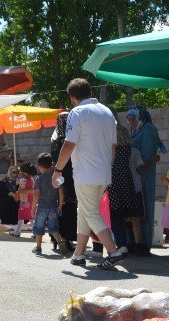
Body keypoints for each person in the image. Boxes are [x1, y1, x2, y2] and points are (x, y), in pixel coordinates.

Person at [52, 78, 125, 270]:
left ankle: (114, 252)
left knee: (90, 212)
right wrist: (106, 168)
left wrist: (57, 170)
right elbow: (113, 147)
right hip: (103, 173)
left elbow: (68, 144)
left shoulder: (77, 112)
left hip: (86, 173)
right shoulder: (107, 112)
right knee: (84, 211)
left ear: (72, 97)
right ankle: (78, 255)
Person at [129, 106, 162, 252]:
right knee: (135, 212)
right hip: (136, 175)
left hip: (143, 176)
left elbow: (148, 156)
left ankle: (144, 243)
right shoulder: (138, 131)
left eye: (133, 119)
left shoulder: (148, 130)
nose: (131, 122)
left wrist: (144, 166)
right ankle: (133, 243)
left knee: (144, 210)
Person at [107, 109, 138, 254]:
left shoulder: (108, 134)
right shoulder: (125, 131)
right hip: (125, 175)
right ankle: (125, 243)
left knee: (114, 212)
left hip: (112, 176)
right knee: (124, 212)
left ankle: (120, 243)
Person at [49, 111, 77, 251]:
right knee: (69, 207)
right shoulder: (67, 138)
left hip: (58, 175)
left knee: (58, 206)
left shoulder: (54, 137)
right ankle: (66, 239)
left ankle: (56, 238)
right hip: (69, 175)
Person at [32, 153, 67, 256]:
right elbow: (61, 193)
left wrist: (33, 208)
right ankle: (60, 243)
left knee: (39, 227)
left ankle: (38, 248)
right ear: (52, 165)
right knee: (53, 227)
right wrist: (60, 206)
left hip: (42, 207)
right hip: (53, 207)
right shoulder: (57, 178)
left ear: (39, 166)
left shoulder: (39, 179)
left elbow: (36, 195)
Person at [9, 162, 36, 237]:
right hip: (27, 201)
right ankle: (35, 232)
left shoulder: (29, 180)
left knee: (21, 216)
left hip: (26, 201)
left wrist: (22, 191)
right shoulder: (28, 180)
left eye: (21, 171)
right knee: (30, 217)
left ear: (26, 172)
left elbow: (32, 190)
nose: (20, 173)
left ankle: (17, 232)